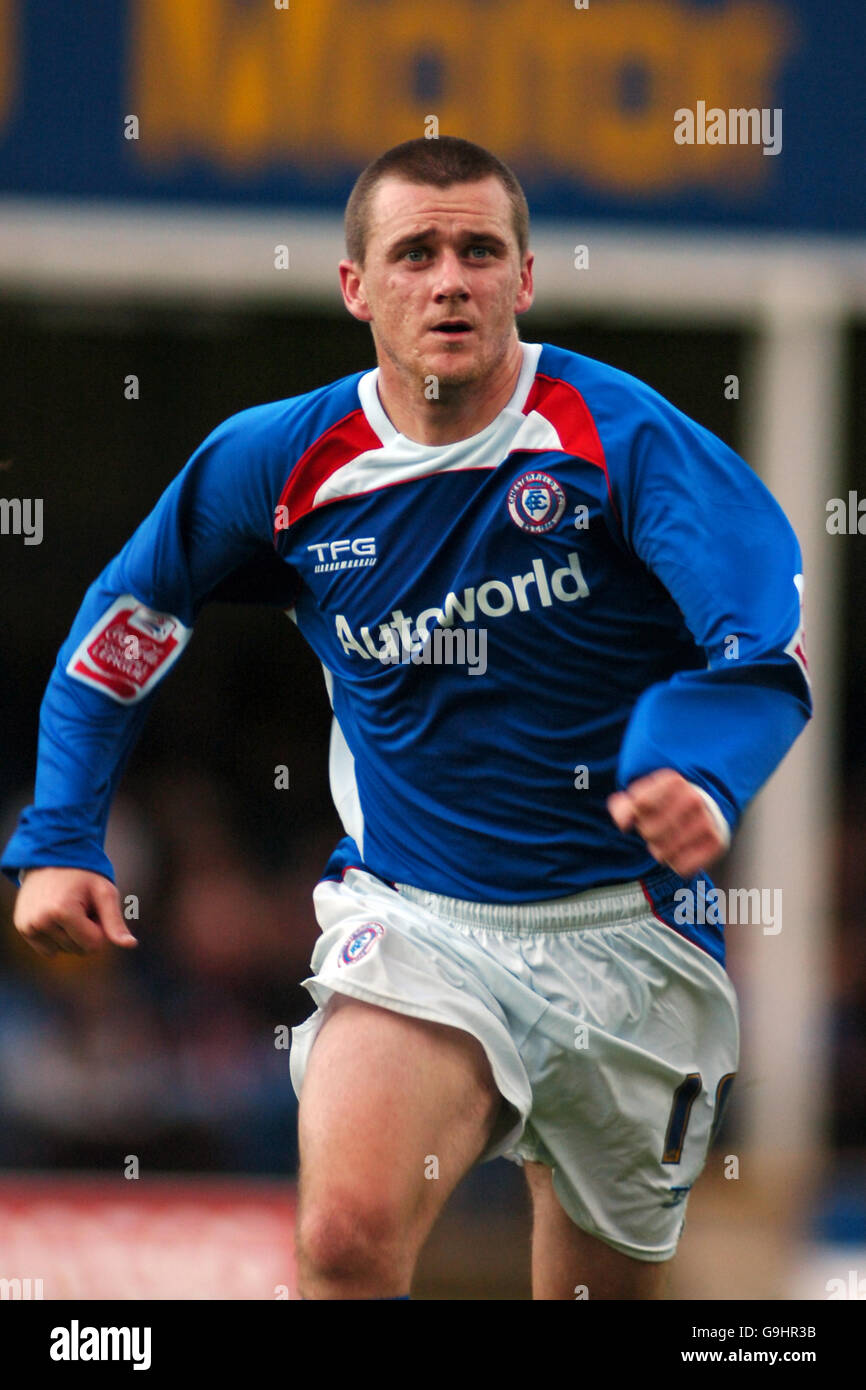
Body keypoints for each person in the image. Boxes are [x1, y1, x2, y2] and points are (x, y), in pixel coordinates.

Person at [3, 136, 812, 1300]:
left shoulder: (618, 438)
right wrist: (63, 834)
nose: (450, 280)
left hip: (634, 938)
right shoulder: (276, 462)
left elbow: (761, 630)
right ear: (356, 287)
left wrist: (697, 761)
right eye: (416, 253)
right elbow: (125, 620)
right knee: (342, 1235)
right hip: (422, 924)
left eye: (480, 251)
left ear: (522, 280)